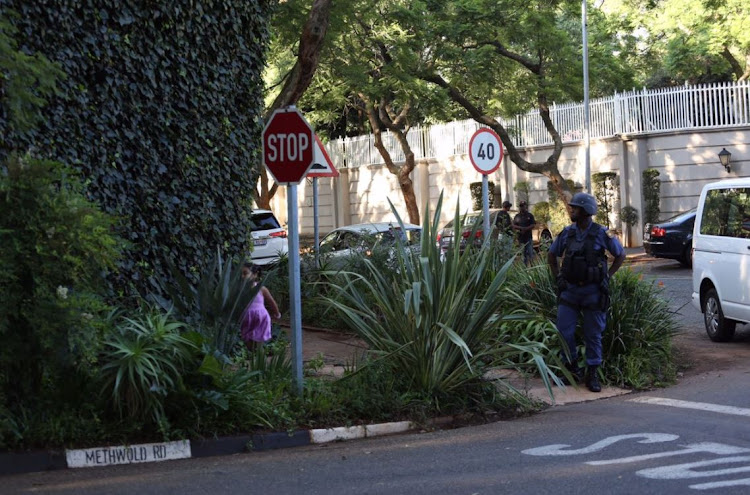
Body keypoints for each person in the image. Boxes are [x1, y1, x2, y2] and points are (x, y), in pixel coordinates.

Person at [547, 193, 625, 392]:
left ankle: (592, 374)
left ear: (586, 211)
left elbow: (620, 255)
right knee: (564, 331)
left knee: (593, 334)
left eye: (575, 208)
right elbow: (551, 254)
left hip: (593, 292)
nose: (572, 211)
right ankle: (572, 368)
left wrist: (608, 275)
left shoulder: (601, 233)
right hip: (570, 291)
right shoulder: (567, 232)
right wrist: (558, 277)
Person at [240, 263, 281, 352]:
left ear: (255, 274)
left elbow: (271, 302)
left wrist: (277, 314)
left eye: (245, 273)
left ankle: (260, 358)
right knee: (248, 342)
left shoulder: (261, 289)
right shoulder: (239, 290)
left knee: (259, 342)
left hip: (261, 318)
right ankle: (253, 357)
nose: (242, 276)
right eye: (241, 274)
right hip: (246, 318)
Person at [513, 201, 536, 265]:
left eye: (523, 206)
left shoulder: (529, 215)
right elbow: (514, 225)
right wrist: (521, 228)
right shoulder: (517, 216)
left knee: (530, 253)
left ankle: (533, 267)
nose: (522, 207)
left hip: (528, 237)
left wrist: (526, 229)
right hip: (521, 238)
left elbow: (533, 224)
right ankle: (524, 267)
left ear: (526, 206)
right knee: (523, 254)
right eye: (521, 206)